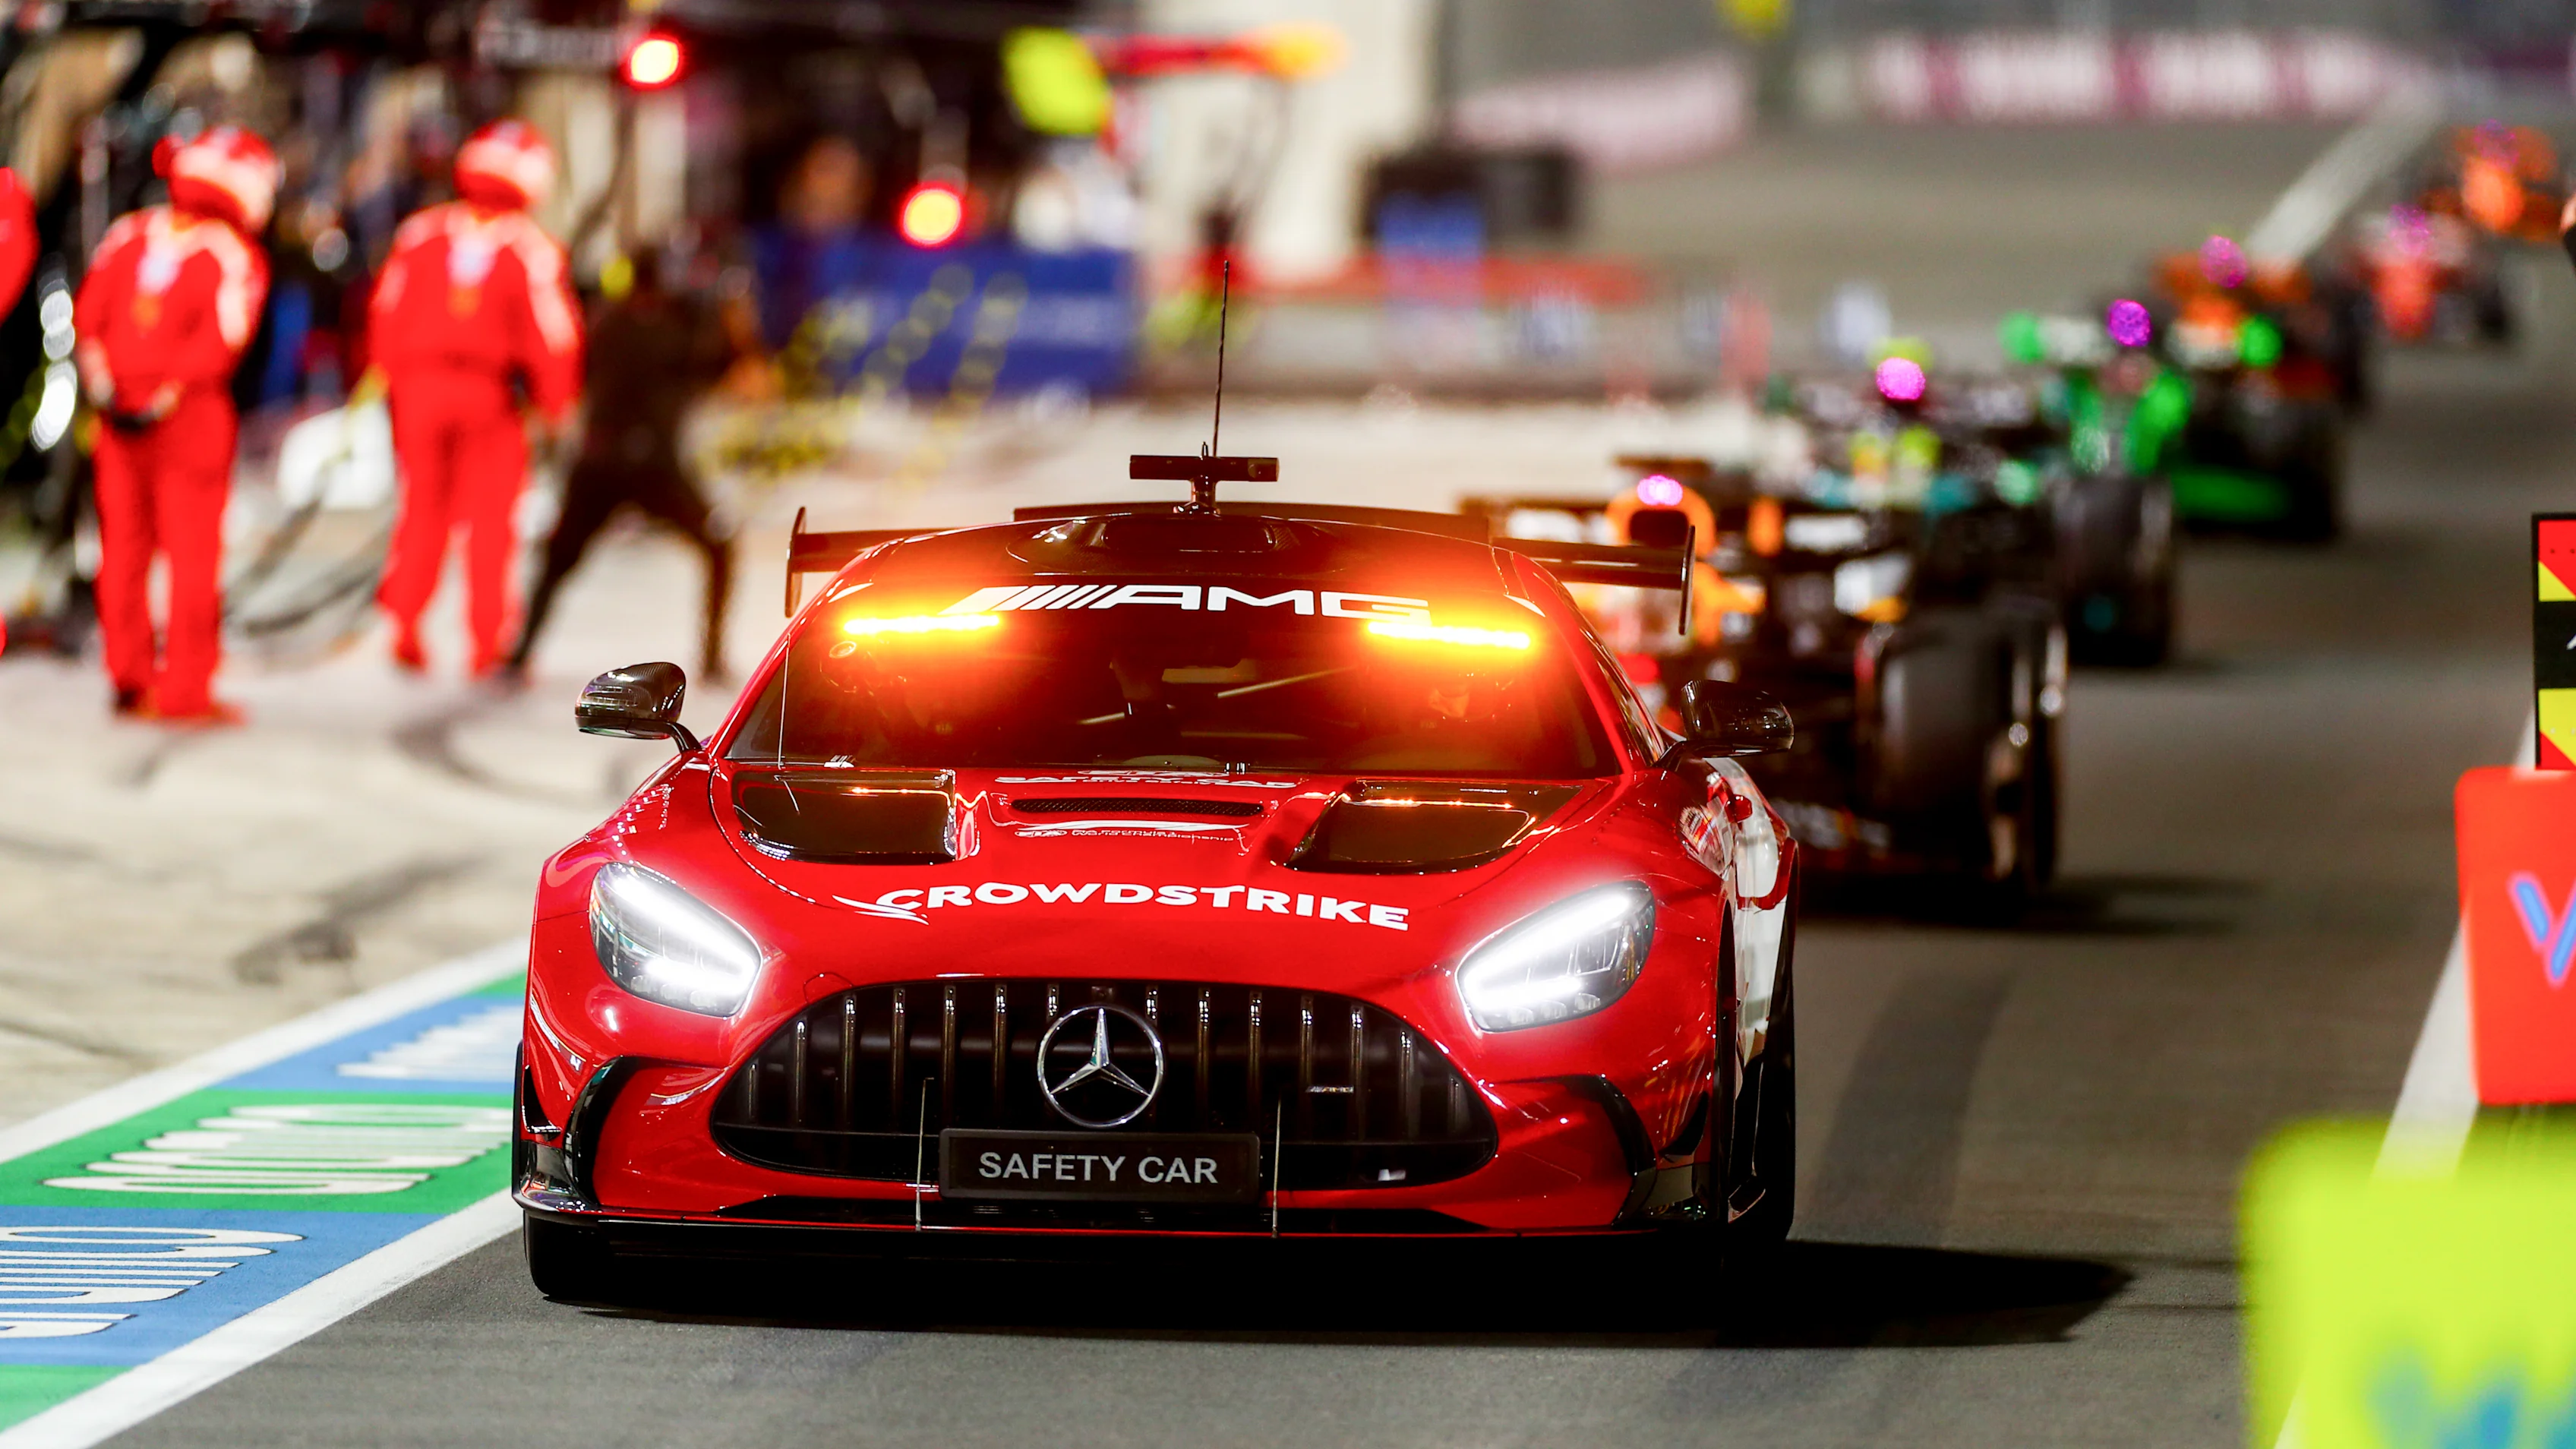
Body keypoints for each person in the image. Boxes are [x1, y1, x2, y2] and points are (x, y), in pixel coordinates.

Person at [73, 127, 275, 722]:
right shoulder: (232, 254)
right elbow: (223, 341)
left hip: (118, 413)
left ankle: (128, 675)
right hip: (188, 417)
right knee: (192, 557)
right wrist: (164, 396)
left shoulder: (128, 234)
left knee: (122, 551)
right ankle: (186, 689)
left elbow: (88, 321)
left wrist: (107, 390)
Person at [368, 118, 581, 676]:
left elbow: (386, 313)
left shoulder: (421, 233)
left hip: (419, 391)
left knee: (422, 511)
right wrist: (556, 406)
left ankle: (406, 624)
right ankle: (487, 642)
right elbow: (551, 336)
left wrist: (391, 381)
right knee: (491, 521)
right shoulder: (529, 248)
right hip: (488, 396)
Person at [509, 251, 737, 681]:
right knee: (719, 546)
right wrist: (726, 316)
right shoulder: (677, 330)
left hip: (602, 461)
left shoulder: (605, 323)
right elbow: (725, 365)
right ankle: (712, 656)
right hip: (650, 467)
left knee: (557, 560)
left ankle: (519, 653)